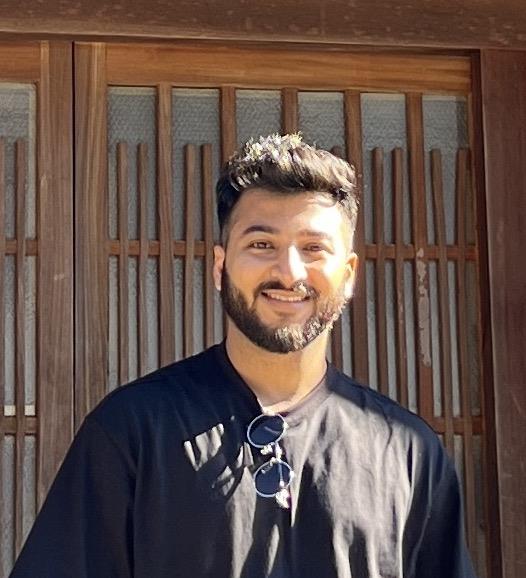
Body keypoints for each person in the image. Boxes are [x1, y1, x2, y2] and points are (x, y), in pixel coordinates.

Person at [10, 134, 476, 577]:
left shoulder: (408, 453)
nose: (289, 272)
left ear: (349, 274)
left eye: (313, 248)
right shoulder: (134, 430)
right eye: (261, 245)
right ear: (220, 266)